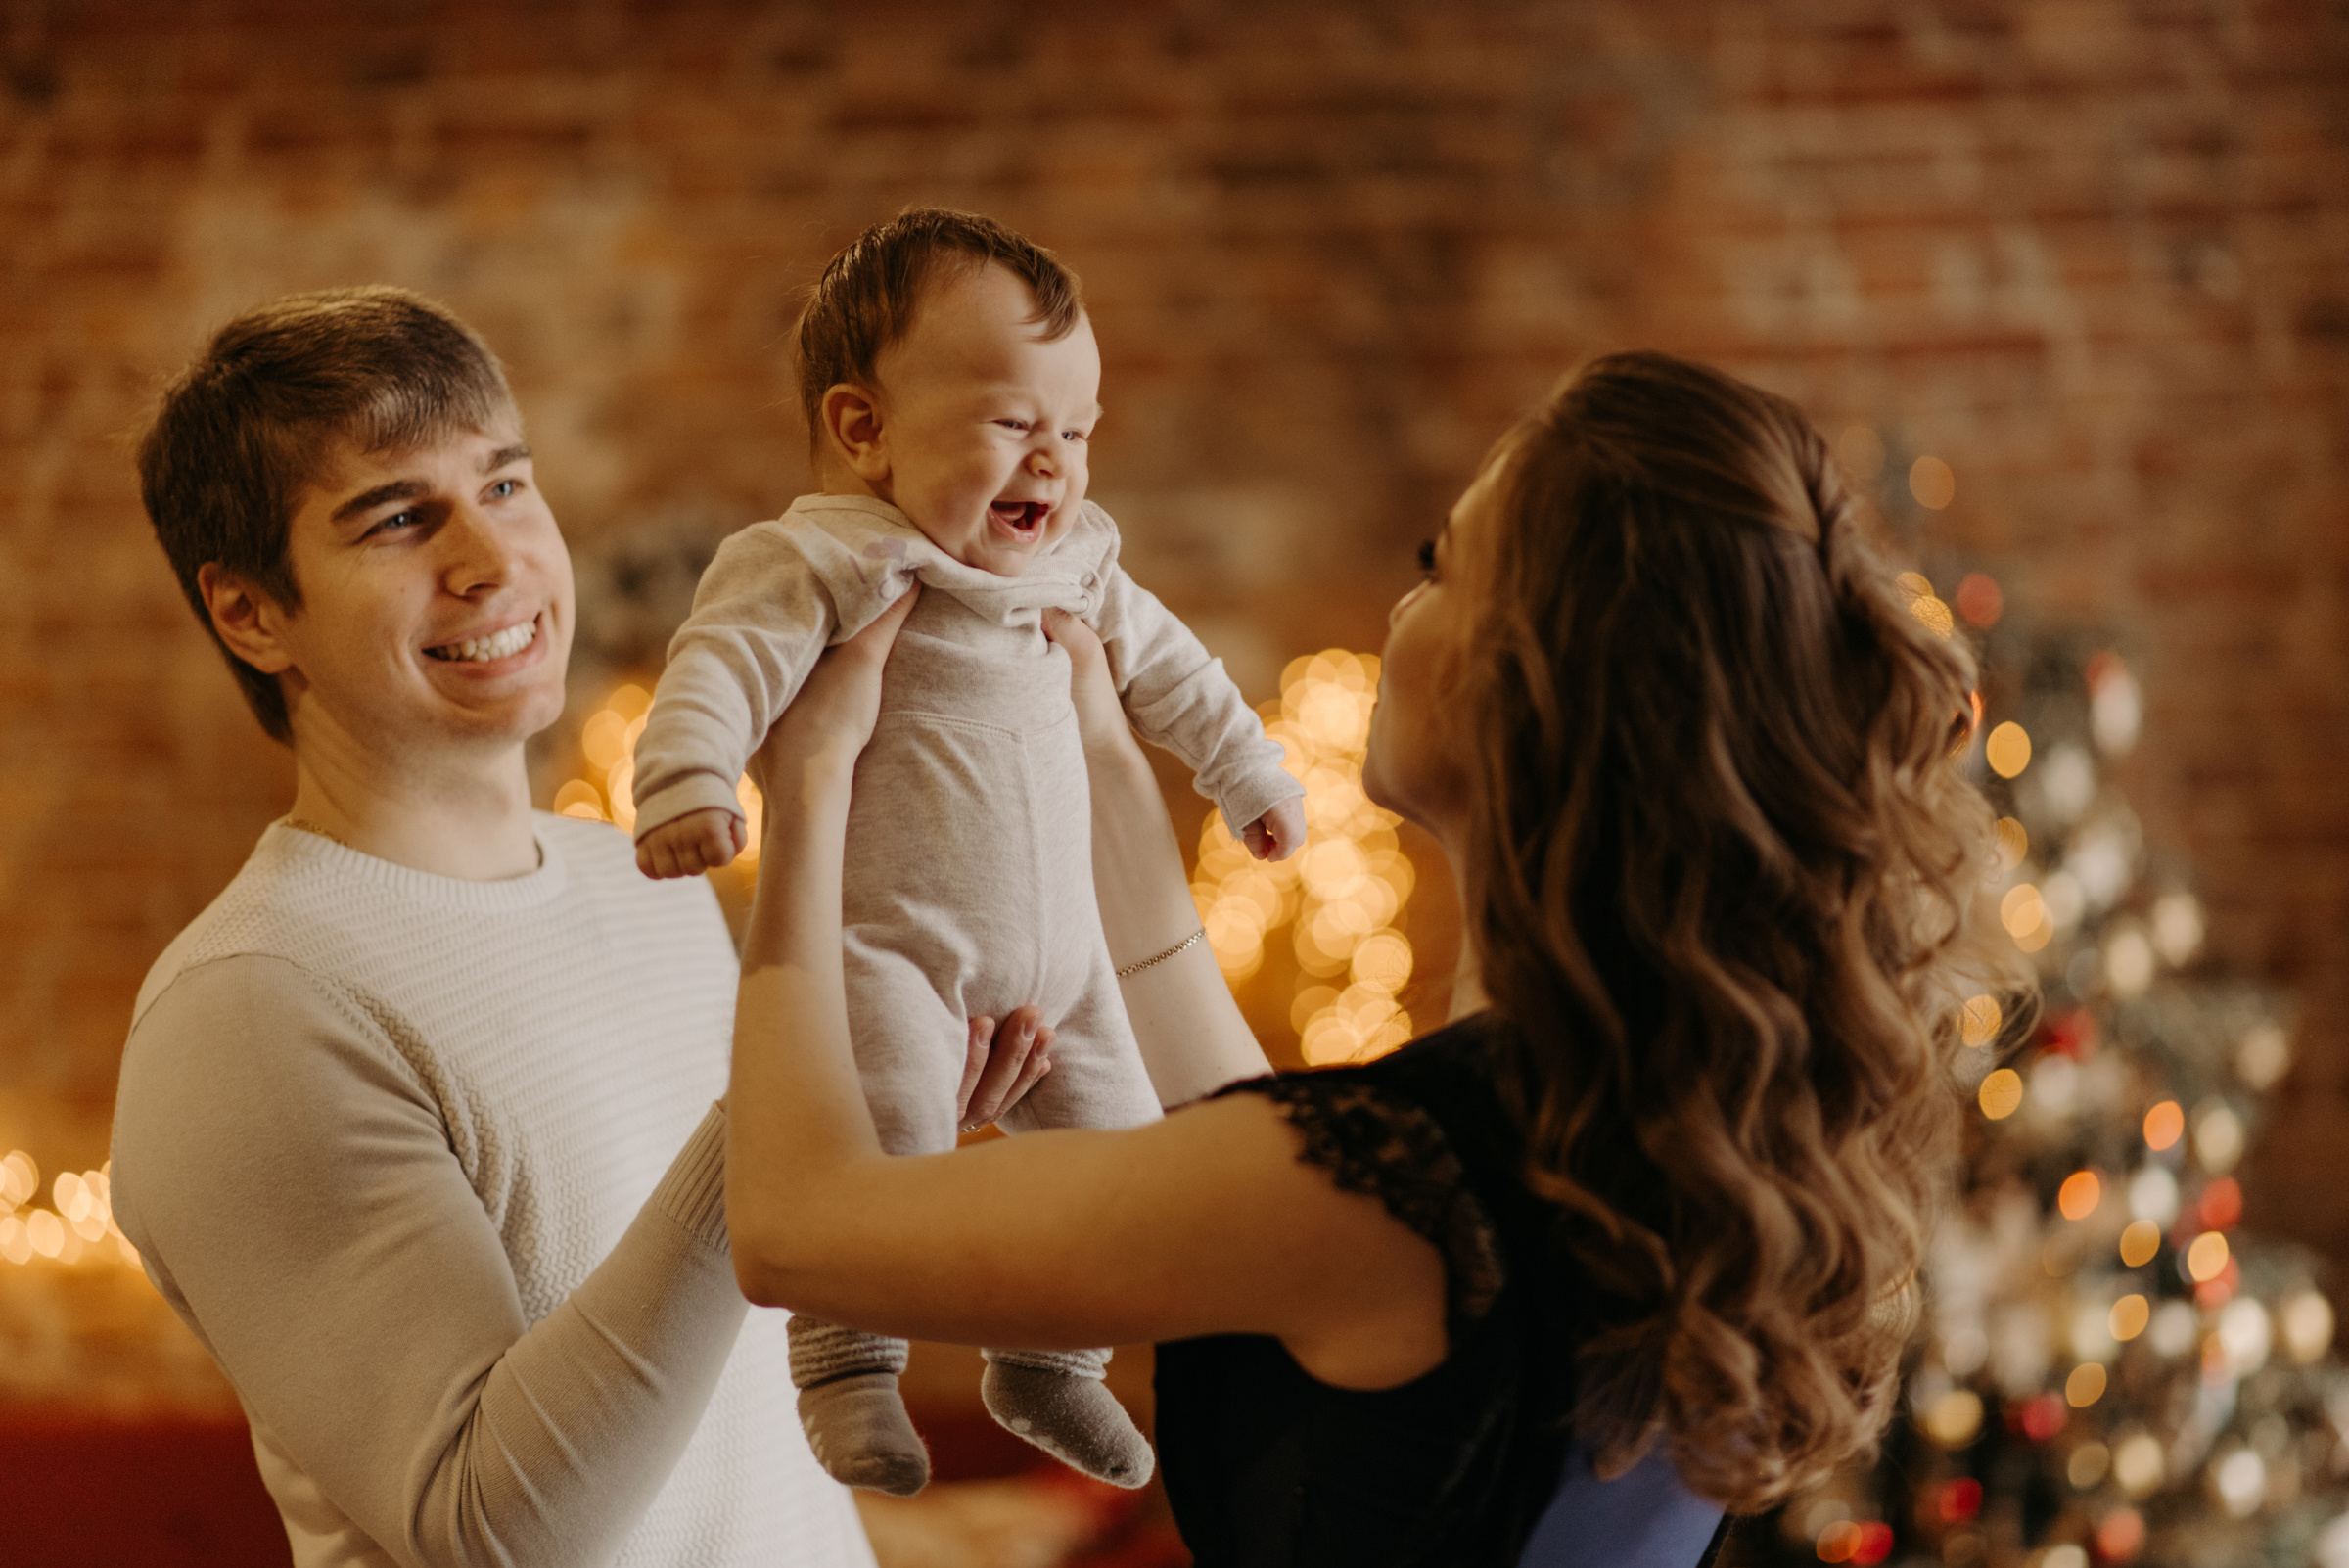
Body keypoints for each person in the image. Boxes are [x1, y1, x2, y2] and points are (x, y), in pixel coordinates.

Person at [718, 351, 2007, 1567]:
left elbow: (788, 1227)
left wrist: (812, 779)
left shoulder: (1386, 1188)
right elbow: (1271, 1144)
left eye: (1441, 568)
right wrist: (1101, 754)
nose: (1404, 602)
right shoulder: (1658, 1137)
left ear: (1535, 685)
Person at [106, 286, 1046, 1568]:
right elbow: (496, 1522)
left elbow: (723, 1366)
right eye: (395, 518)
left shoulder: (639, 882)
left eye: (504, 486)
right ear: (250, 612)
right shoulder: (252, 1006)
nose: (491, 562)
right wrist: (780, 1102)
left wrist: (885, 1125)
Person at [627, 208, 1307, 1495]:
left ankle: (1053, 1367)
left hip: (1069, 960)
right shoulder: (821, 558)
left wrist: (1246, 770)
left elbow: (1175, 669)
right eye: (1012, 422)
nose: (1055, 460)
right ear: (862, 428)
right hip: (888, 947)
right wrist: (688, 777)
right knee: (875, 1139)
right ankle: (845, 1362)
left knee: (1115, 1167)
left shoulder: (1076, 565)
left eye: (1080, 427)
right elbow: (715, 667)